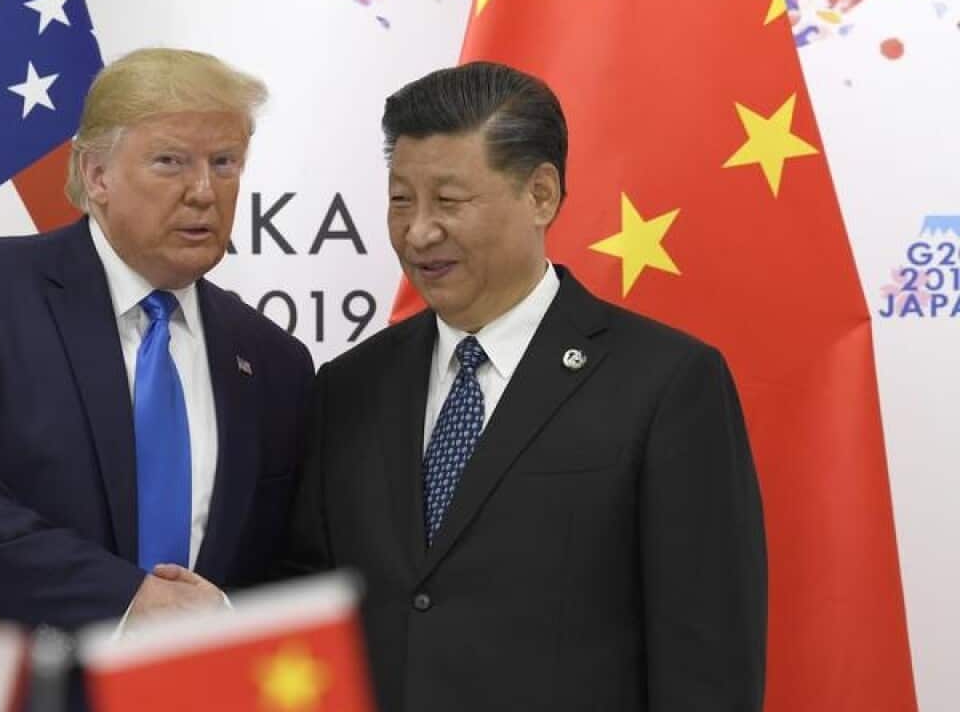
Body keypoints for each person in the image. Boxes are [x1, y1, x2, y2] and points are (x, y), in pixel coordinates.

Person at [287, 61, 767, 711]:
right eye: (402, 199)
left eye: (449, 201)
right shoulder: (349, 386)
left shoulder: (666, 385)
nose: (418, 231)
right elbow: (312, 620)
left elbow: (707, 662)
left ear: (541, 194)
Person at [0, 48, 314, 631]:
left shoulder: (275, 361)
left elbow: (282, 560)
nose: (204, 191)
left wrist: (221, 616)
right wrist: (128, 600)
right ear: (97, 176)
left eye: (224, 163)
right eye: (171, 162)